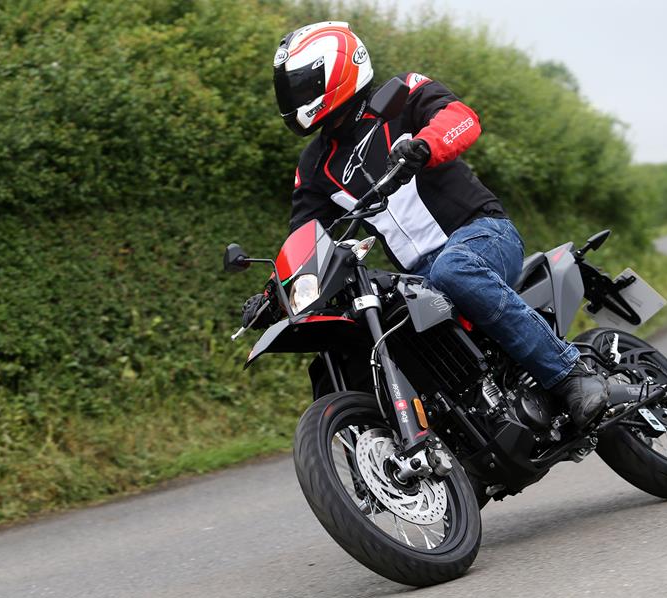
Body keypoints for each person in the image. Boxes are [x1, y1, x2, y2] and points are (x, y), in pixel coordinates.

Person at [243, 21, 608, 429]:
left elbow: (461, 118)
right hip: (420, 274)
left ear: (339, 70)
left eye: (301, 84)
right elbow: (303, 237)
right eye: (289, 87)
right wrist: (278, 290)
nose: (294, 97)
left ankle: (570, 373)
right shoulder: (315, 165)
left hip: (482, 233)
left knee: (455, 268)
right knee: (383, 322)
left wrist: (425, 146)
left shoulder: (401, 95)